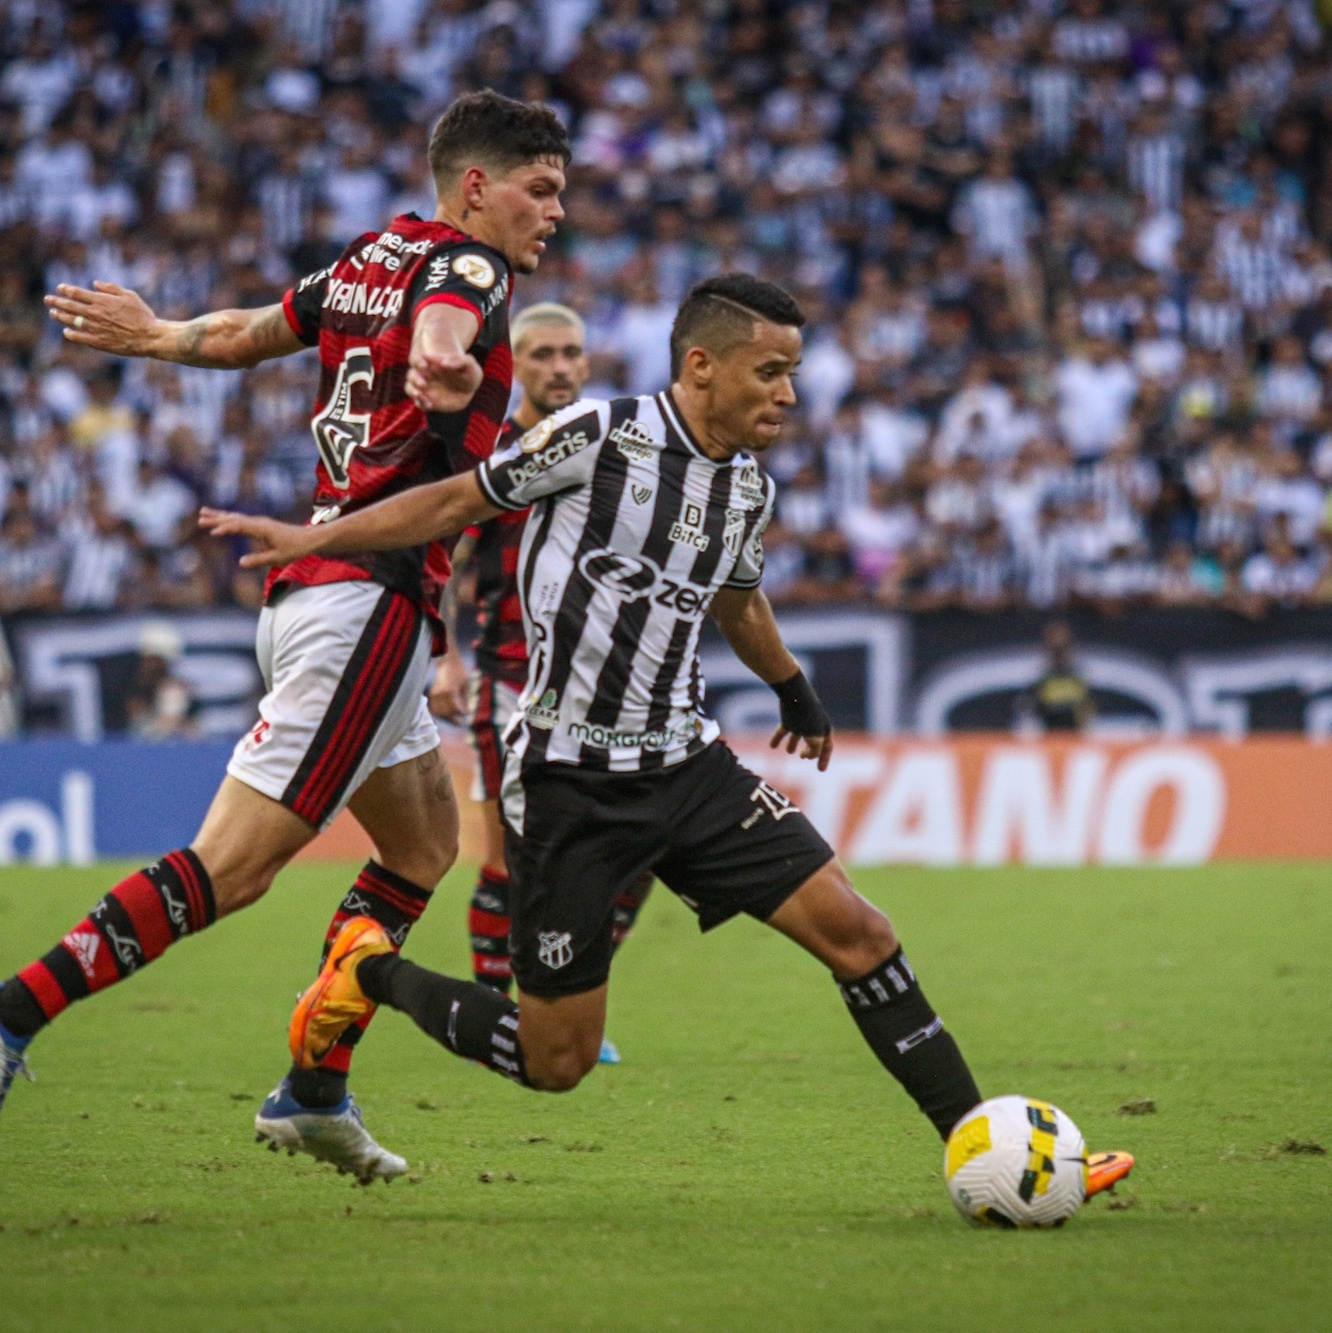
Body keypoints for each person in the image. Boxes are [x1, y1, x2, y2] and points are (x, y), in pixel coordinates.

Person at [203, 273, 1133, 1192]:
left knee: (861, 933)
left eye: (794, 372)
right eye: (770, 371)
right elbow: (456, 503)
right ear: (701, 365)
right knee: (554, 1058)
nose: (789, 393)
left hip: (688, 763)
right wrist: (318, 539)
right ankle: (371, 969)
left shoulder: (745, 489)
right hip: (570, 781)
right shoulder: (595, 438)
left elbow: (737, 597)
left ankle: (988, 1147)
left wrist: (792, 687)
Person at [0, 91, 571, 1186]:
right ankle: (14, 1012)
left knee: (419, 851)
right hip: (362, 604)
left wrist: (156, 335)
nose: (554, 214)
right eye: (540, 191)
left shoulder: (368, 258)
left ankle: (312, 1092)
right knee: (233, 868)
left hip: (343, 599)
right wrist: (445, 363)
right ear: (476, 187)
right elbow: (451, 325)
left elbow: (249, 335)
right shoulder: (468, 269)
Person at [429, 301, 650, 1063]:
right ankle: (502, 1010)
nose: (558, 367)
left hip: (597, 691)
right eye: (542, 355)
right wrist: (446, 659)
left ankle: (567, 1000)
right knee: (512, 859)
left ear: (588, 363)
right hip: (511, 684)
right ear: (515, 365)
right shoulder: (497, 451)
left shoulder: (609, 448)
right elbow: (445, 554)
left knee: (635, 856)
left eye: (571, 353)